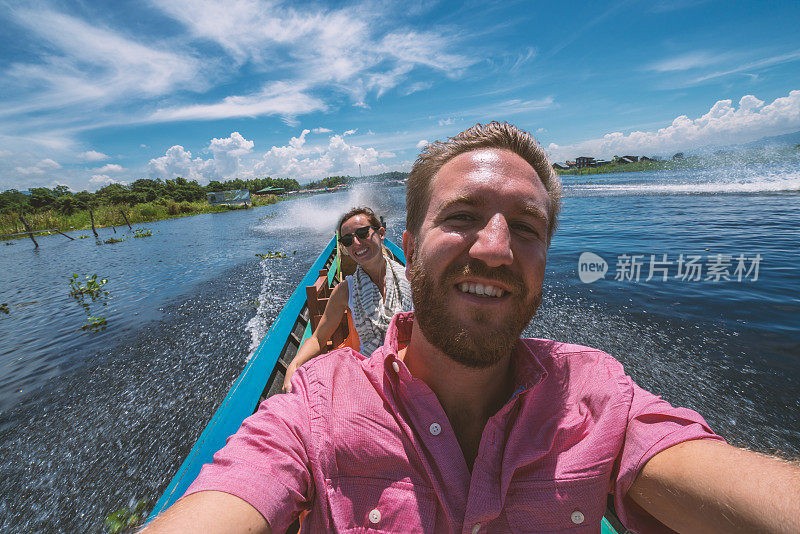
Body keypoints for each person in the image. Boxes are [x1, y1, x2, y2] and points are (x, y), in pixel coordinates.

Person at [144, 123, 800, 533]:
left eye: (525, 225)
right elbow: (246, 483)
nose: (494, 247)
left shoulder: (596, 397)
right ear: (411, 240)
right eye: (462, 216)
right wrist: (315, 349)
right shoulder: (315, 409)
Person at [281, 206, 411, 393]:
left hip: (412, 367)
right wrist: (293, 365)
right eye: (348, 240)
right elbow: (318, 338)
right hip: (371, 372)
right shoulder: (344, 291)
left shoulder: (410, 279)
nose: (356, 243)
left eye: (363, 233)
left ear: (381, 233)